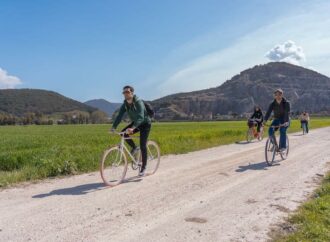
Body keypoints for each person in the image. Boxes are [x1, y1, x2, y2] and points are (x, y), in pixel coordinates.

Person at [111, 85, 151, 176]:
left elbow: (141, 117)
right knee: (124, 133)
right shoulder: (125, 104)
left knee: (143, 144)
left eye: (127, 92)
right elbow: (119, 116)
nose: (125, 94)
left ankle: (144, 167)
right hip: (136, 123)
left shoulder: (138, 102)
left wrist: (133, 128)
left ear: (132, 93)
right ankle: (134, 147)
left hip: (145, 124)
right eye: (124, 92)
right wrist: (113, 127)